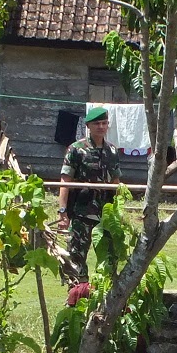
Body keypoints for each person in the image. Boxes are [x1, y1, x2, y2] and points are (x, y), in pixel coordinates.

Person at [56, 105, 121, 281]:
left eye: (104, 123)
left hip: (105, 213)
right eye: (97, 123)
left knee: (109, 256)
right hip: (81, 212)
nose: (101, 127)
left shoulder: (112, 151)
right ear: (88, 126)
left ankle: (107, 291)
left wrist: (118, 211)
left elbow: (116, 182)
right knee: (76, 255)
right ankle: (77, 291)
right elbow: (65, 181)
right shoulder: (76, 149)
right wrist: (62, 212)